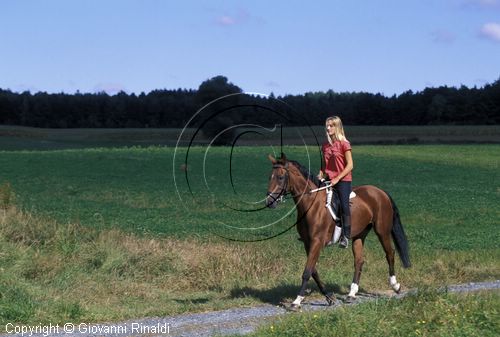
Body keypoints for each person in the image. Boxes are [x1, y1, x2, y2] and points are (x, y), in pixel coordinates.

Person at [318, 116, 354, 249]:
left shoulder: (345, 144)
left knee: (344, 205)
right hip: (329, 180)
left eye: (331, 126)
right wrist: (321, 174)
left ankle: (346, 236)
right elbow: (324, 165)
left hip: (343, 180)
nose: (328, 128)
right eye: (327, 126)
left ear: (337, 127)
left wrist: (337, 178)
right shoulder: (325, 146)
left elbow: (350, 165)